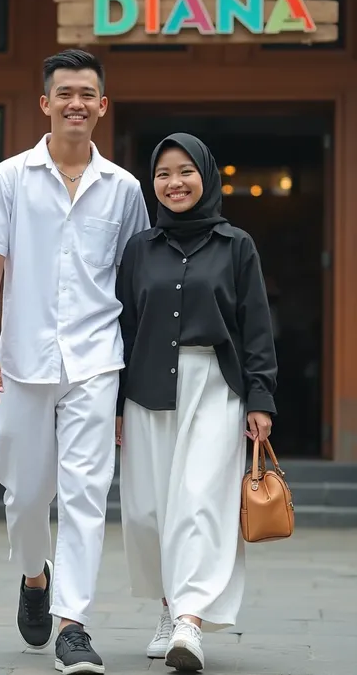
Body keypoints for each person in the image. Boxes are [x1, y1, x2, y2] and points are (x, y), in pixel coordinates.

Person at [0, 49, 150, 675]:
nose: (75, 102)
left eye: (86, 93)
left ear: (102, 105)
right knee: (25, 492)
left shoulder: (124, 190)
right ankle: (34, 576)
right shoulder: (10, 177)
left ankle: (73, 624)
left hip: (96, 361)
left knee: (86, 496)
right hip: (21, 360)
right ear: (46, 104)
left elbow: (134, 278)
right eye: (63, 92)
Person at [115, 133, 277, 672]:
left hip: (214, 386)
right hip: (146, 387)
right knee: (148, 510)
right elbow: (125, 326)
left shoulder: (237, 245)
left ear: (205, 176)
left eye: (185, 171)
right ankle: (167, 606)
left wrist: (261, 398)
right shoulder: (140, 249)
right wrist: (115, 404)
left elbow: (256, 325)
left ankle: (190, 621)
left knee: (200, 502)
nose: (174, 183)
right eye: (163, 174)